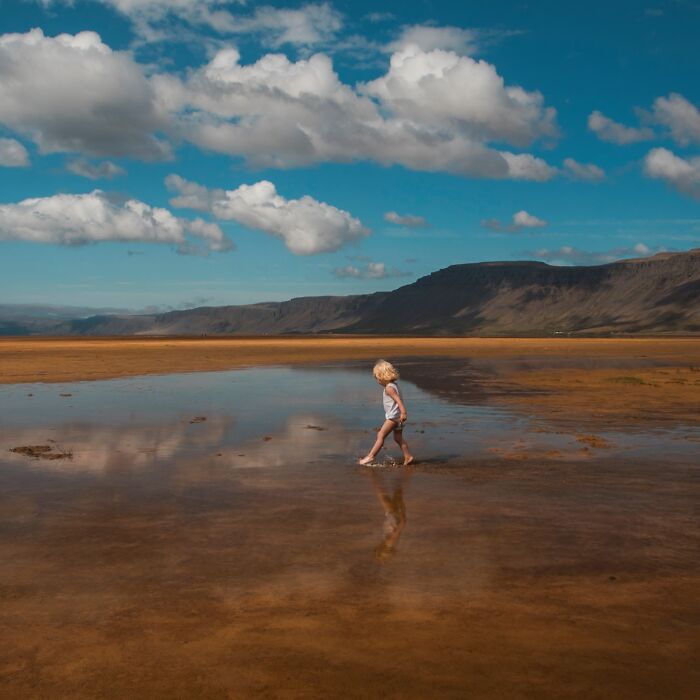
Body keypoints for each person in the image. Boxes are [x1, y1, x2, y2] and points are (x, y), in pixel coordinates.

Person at [359, 359, 414, 466]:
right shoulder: (395, 385)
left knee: (381, 435)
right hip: (398, 417)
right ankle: (408, 456)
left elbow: (398, 401)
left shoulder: (389, 388)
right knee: (398, 438)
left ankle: (370, 457)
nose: (377, 381)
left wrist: (403, 412)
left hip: (393, 417)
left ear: (383, 376)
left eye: (377, 378)